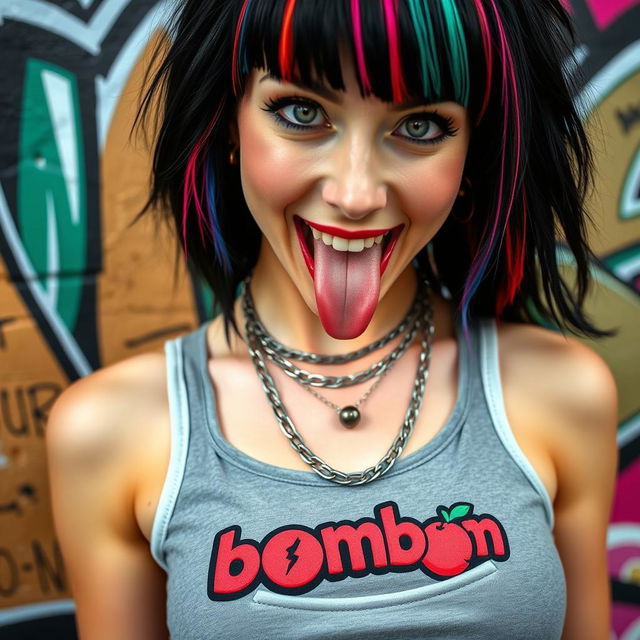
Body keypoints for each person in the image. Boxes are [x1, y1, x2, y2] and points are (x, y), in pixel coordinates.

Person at [46, 1, 618, 638]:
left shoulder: (561, 393)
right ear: (228, 122)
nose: (355, 194)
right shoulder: (108, 431)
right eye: (302, 113)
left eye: (421, 126)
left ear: (473, 151)